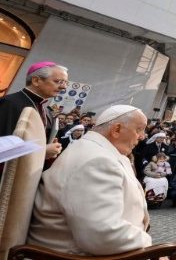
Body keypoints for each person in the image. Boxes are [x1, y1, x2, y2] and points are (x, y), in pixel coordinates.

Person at [27, 105, 151, 255]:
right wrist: (147, 246)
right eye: (139, 129)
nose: (143, 136)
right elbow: (102, 235)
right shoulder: (97, 161)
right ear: (116, 129)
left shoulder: (97, 151)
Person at [0, 62, 66, 161]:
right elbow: (3, 147)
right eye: (58, 81)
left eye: (65, 83)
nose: (63, 87)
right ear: (36, 80)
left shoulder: (43, 108)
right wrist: (42, 151)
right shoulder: (11, 103)